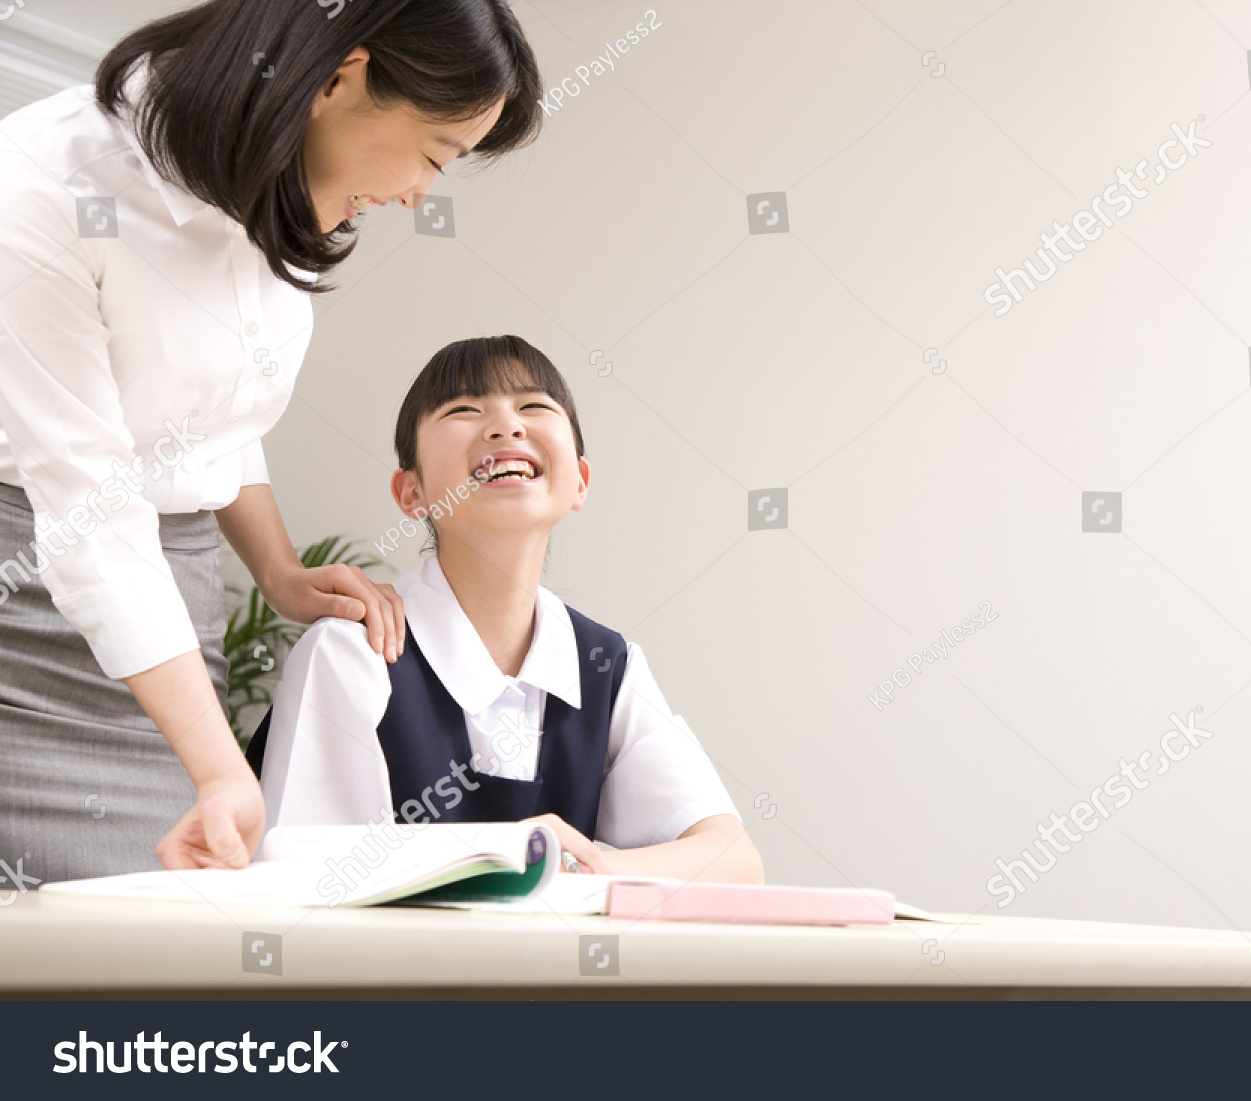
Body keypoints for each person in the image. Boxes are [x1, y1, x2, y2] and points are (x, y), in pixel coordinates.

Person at [0, 0, 543, 883]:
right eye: (435, 154)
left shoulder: (274, 178)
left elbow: (205, 415)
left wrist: (279, 570)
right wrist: (221, 767)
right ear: (342, 78)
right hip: (28, 589)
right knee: (87, 924)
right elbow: (88, 511)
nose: (419, 194)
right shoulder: (42, 187)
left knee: (171, 915)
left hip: (172, 614)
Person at [248, 336, 763, 883]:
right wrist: (506, 854)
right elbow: (305, 877)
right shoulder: (351, 651)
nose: (506, 427)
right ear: (410, 492)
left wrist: (594, 866)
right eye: (463, 410)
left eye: (534, 405)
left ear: (580, 483)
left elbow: (734, 862)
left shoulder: (605, 665)